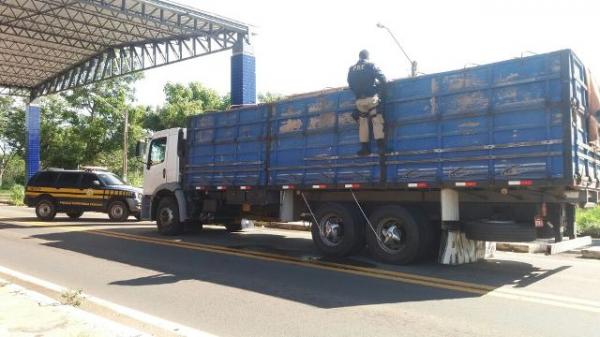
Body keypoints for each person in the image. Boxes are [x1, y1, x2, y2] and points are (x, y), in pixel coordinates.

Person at [347, 49, 387, 156]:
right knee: (376, 120)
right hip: (371, 98)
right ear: (367, 57)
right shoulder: (371, 65)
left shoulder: (351, 69)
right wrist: (380, 92)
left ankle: (364, 148)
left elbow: (350, 84)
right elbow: (383, 79)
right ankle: (381, 147)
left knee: (363, 123)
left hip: (359, 100)